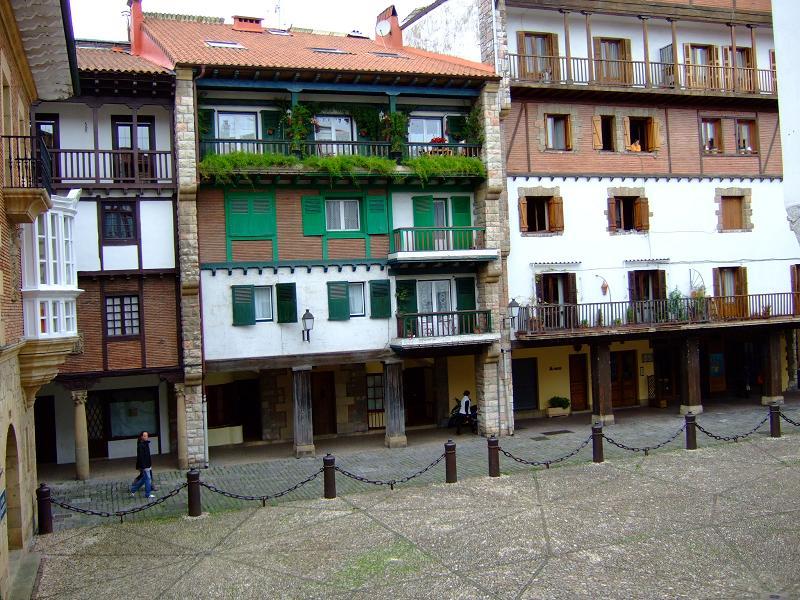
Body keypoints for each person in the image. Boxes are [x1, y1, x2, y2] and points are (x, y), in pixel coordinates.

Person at [130, 431, 155, 498]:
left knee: (144, 479)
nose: (146, 437)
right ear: (141, 437)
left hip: (148, 464)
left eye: (147, 435)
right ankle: (148, 494)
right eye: (144, 436)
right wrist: (143, 466)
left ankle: (133, 489)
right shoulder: (141, 445)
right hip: (145, 465)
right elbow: (141, 457)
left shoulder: (146, 444)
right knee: (148, 479)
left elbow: (147, 456)